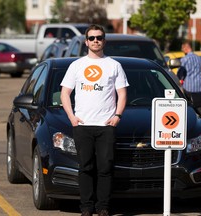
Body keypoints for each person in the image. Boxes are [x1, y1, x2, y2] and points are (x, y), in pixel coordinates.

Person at [60, 24, 129, 216]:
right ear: (86, 42)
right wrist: (72, 117)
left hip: (106, 125)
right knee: (86, 167)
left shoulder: (114, 65)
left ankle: (103, 207)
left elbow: (122, 94)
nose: (95, 41)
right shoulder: (77, 65)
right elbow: (65, 93)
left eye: (99, 37)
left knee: (105, 168)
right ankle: (86, 208)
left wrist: (117, 116)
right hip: (82, 126)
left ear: (104, 40)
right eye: (92, 38)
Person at [179, 40, 201, 118]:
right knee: (199, 104)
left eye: (182, 48)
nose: (182, 50)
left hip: (188, 86)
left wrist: (180, 78)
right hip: (198, 85)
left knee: (189, 105)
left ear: (186, 48)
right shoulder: (199, 58)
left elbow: (181, 72)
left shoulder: (184, 59)